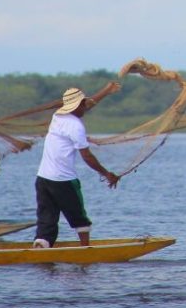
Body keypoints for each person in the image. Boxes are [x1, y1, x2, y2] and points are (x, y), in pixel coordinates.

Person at [34, 84, 123, 248]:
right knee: (79, 217)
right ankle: (85, 250)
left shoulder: (57, 117)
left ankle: (41, 246)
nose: (86, 107)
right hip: (63, 181)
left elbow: (85, 106)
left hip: (43, 179)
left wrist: (106, 91)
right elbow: (87, 157)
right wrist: (107, 174)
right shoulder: (76, 126)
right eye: (83, 104)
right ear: (77, 106)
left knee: (47, 221)